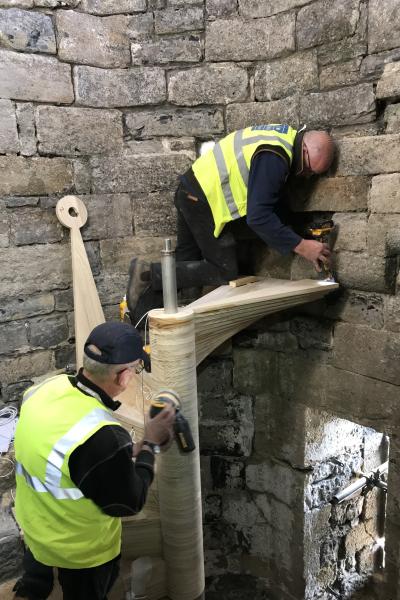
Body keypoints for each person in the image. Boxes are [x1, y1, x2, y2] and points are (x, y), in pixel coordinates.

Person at [13, 321, 175, 600]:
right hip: (79, 551)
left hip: (35, 528)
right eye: (136, 369)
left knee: (35, 585)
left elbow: (60, 451)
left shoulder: (43, 390)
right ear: (123, 377)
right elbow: (129, 502)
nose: (135, 375)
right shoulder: (102, 436)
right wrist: (150, 443)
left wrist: (121, 456)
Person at [127, 124, 335, 323]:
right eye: (309, 170)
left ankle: (143, 322)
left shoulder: (283, 138)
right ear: (306, 151)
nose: (306, 176)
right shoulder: (275, 157)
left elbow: (272, 202)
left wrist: (297, 230)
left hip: (191, 189)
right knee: (223, 269)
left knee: (185, 265)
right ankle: (147, 273)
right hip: (202, 199)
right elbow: (259, 217)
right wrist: (302, 246)